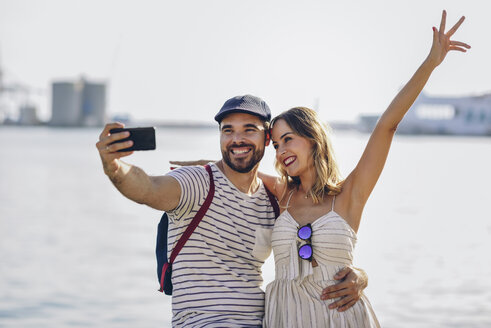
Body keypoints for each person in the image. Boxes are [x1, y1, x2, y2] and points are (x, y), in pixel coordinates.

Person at [259, 10, 469, 327]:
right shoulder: (279, 193)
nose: (282, 150)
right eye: (275, 145)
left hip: (340, 320)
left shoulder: (349, 194)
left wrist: (430, 63)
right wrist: (198, 169)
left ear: (313, 139)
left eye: (288, 139)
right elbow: (231, 173)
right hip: (285, 318)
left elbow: (387, 126)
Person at [96, 95, 368, 327]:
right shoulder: (197, 182)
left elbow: (319, 247)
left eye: (249, 129)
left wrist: (359, 276)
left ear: (266, 139)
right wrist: (115, 167)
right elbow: (148, 189)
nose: (237, 139)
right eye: (228, 130)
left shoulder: (275, 201)